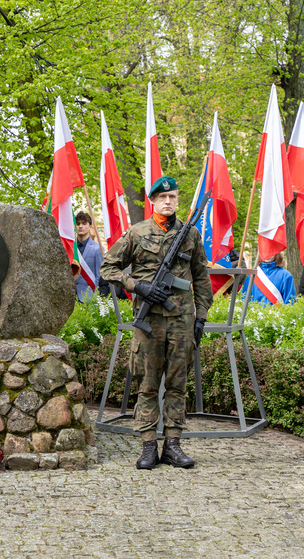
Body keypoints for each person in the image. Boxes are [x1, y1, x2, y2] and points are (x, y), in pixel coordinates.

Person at [100, 176, 213, 470]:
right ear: (152, 201)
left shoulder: (191, 235)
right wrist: (138, 286)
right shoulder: (136, 233)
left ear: (177, 200)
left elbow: (201, 278)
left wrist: (200, 317)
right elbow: (108, 268)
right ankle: (148, 446)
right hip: (148, 320)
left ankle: (173, 446)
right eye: (163, 198)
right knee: (147, 386)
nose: (168, 202)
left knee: (177, 384)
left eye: (173, 197)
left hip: (181, 320)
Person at [74, 211, 108, 301]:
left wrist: (96, 296)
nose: (80, 226)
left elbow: (99, 275)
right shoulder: (70, 248)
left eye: (84, 223)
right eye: (78, 224)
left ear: (90, 227)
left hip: (89, 295)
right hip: (71, 295)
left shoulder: (97, 248)